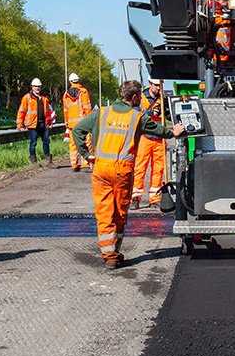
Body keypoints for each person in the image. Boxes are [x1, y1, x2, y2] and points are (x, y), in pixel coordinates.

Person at [72, 80, 185, 269]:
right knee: (119, 213)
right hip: (121, 171)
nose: (141, 98)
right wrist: (174, 132)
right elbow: (160, 131)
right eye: (139, 95)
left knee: (104, 212)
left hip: (100, 169)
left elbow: (77, 130)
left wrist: (86, 155)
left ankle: (109, 255)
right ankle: (113, 252)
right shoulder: (137, 117)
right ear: (134, 97)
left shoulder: (101, 113)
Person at [132, 77, 167, 209]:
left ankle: (155, 197)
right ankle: (135, 198)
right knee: (140, 168)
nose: (158, 88)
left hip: (159, 138)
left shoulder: (162, 99)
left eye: (160, 85)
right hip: (145, 138)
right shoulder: (141, 99)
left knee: (158, 169)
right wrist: (150, 112)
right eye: (156, 85)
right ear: (150, 84)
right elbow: (135, 114)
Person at [16, 78, 56, 166]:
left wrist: (50, 121)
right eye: (35, 86)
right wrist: (19, 123)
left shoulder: (44, 98)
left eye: (38, 86)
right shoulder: (27, 97)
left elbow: (48, 111)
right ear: (32, 87)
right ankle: (33, 162)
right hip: (32, 124)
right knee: (33, 142)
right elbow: (22, 111)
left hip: (44, 123)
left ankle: (48, 161)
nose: (37, 88)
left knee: (46, 141)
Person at [63, 72, 93, 172]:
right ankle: (85, 163)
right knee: (86, 142)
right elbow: (87, 108)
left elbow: (65, 110)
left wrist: (67, 123)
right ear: (78, 81)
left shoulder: (66, 95)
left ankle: (74, 164)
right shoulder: (83, 92)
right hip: (83, 123)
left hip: (72, 124)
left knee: (73, 144)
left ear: (70, 82)